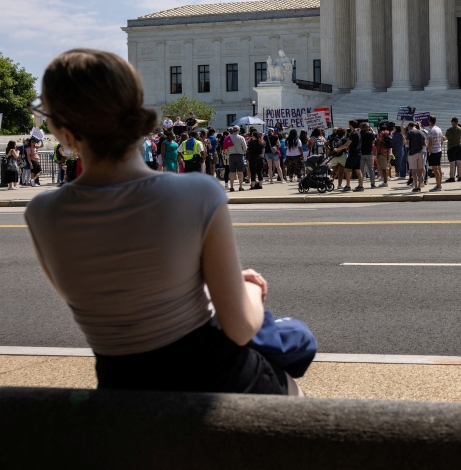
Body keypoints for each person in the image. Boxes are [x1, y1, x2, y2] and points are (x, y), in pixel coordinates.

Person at [24, 49, 301, 395]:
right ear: (135, 111)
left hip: (122, 392)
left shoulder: (42, 213)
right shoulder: (198, 192)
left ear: (63, 130)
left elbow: (121, 300)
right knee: (298, 352)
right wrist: (249, 288)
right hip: (216, 381)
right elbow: (241, 328)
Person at [406, 123, 427, 193]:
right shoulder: (421, 132)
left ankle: (415, 186)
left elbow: (407, 143)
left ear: (410, 127)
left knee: (414, 171)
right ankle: (419, 185)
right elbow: (424, 144)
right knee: (420, 170)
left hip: (413, 153)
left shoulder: (409, 132)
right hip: (421, 152)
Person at [426, 116, 444, 191]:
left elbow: (430, 142)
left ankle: (438, 185)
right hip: (439, 150)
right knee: (438, 168)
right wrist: (440, 146)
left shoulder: (431, 130)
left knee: (435, 169)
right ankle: (439, 184)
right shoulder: (439, 129)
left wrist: (429, 151)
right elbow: (442, 139)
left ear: (430, 121)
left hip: (433, 151)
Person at [226, 127, 247, 192]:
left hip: (231, 155)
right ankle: (240, 186)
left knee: (232, 172)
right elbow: (245, 148)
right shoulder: (241, 138)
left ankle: (231, 187)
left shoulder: (228, 137)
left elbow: (226, 147)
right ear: (238, 130)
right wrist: (243, 151)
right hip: (240, 155)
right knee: (240, 171)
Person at [359, 122, 378, 189]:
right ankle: (372, 184)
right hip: (369, 153)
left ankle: (360, 184)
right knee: (371, 169)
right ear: (367, 127)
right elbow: (373, 142)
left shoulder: (359, 134)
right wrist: (371, 130)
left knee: (361, 170)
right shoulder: (370, 134)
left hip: (361, 153)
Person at [445, 117, 461, 183]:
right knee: (459, 162)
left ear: (452, 122)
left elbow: (446, 138)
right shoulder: (460, 129)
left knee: (452, 163)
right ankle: (460, 176)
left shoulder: (449, 130)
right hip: (459, 146)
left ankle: (452, 177)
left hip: (451, 147)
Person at [376, 123, 393, 188]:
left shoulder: (380, 134)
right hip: (389, 152)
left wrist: (377, 153)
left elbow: (378, 143)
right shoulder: (389, 133)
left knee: (383, 168)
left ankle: (385, 182)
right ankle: (385, 180)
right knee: (386, 166)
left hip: (382, 152)